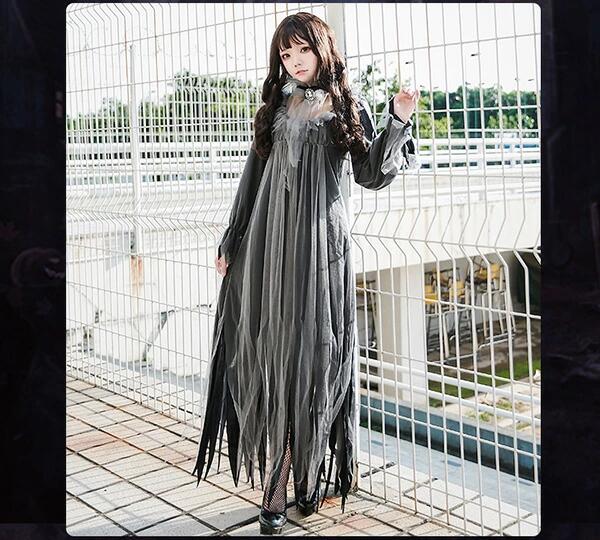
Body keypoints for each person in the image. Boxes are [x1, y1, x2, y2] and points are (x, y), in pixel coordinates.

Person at [192, 11, 420, 535]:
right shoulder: (276, 105)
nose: (294, 61)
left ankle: (302, 473)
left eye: (302, 51)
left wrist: (399, 120)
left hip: (320, 252)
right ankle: (287, 482)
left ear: (323, 50)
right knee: (274, 357)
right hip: (269, 247)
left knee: (313, 360)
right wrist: (233, 236)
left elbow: (370, 173)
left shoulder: (347, 106)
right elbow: (252, 178)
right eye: (285, 53)